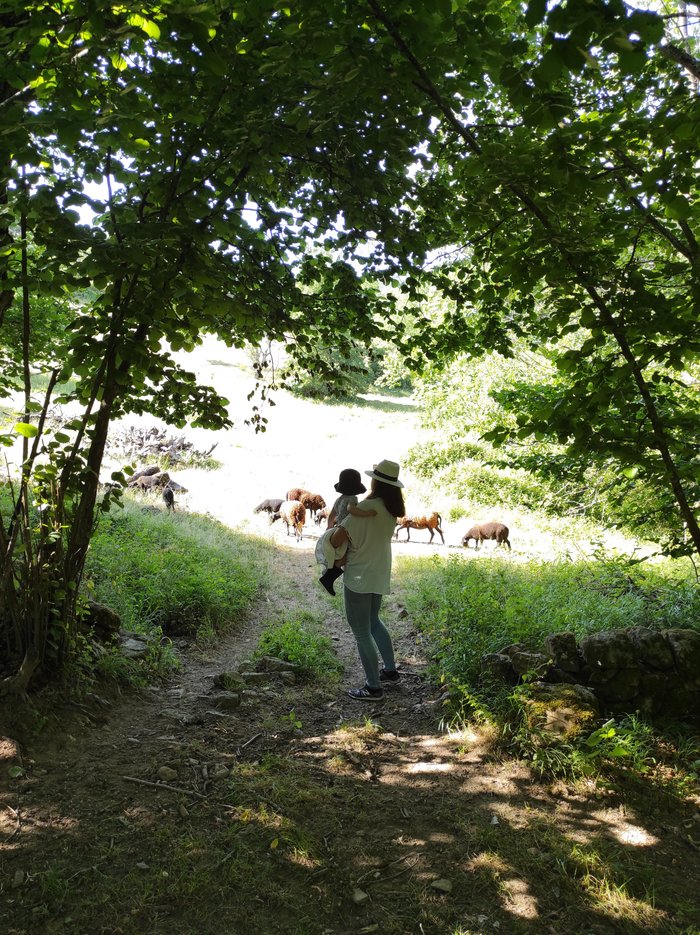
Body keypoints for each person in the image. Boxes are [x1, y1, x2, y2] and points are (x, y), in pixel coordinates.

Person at [328, 458, 405, 700]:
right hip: (379, 571)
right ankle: (390, 671)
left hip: (359, 575)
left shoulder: (361, 512)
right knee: (373, 621)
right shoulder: (391, 509)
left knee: (361, 631)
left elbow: (335, 541)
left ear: (375, 482)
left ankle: (373, 687)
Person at [316, 468, 376, 595]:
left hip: (337, 529)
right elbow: (352, 510)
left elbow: (332, 515)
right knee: (347, 556)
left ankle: (328, 576)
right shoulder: (353, 499)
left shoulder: (339, 499)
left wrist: (329, 527)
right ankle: (328, 577)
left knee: (340, 554)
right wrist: (367, 513)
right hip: (346, 530)